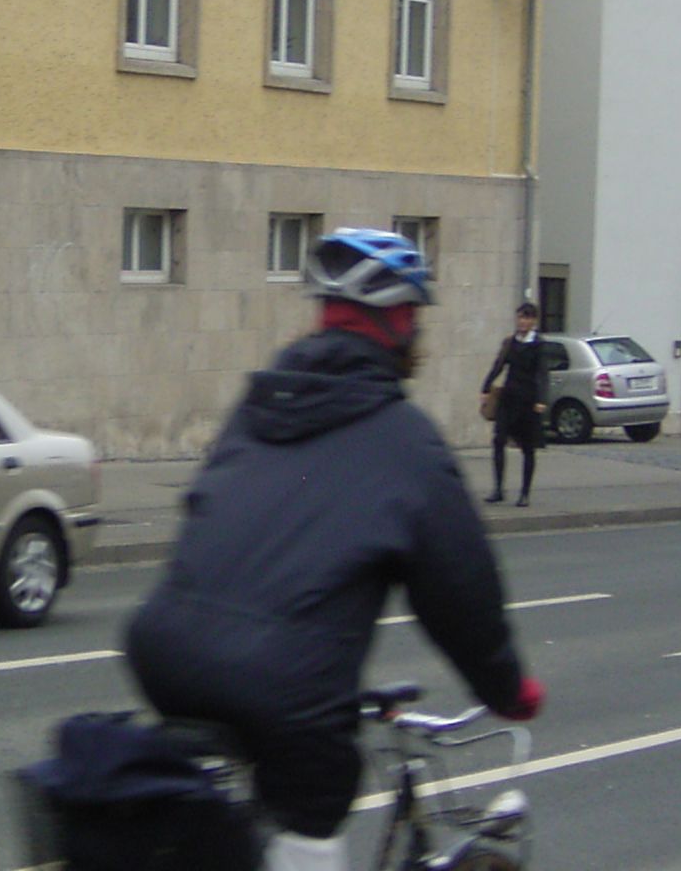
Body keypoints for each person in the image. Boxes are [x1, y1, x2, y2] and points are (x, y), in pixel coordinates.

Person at [122, 229, 543, 871]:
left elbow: (208, 512)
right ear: (399, 324)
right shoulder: (406, 443)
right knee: (313, 805)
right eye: (416, 321)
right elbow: (460, 594)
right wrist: (510, 690)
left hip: (165, 652)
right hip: (284, 689)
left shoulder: (258, 404)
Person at [480, 302, 547, 507]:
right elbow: (498, 365)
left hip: (528, 401)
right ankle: (498, 489)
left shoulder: (539, 344)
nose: (523, 321)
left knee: (528, 448)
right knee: (498, 440)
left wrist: (542, 400)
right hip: (508, 399)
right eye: (520, 317)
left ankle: (525, 493)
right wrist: (485, 387)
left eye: (527, 318)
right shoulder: (510, 342)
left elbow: (543, 374)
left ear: (533, 321)